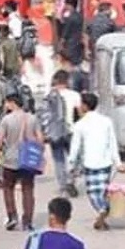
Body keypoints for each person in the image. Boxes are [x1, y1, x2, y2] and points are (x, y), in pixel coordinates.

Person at [66, 91, 125, 230]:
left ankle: (102, 210)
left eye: (81, 104)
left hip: (90, 163)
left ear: (85, 106)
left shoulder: (80, 125)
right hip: (106, 163)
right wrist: (118, 163)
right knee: (103, 191)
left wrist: (71, 164)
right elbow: (112, 143)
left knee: (93, 193)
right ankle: (103, 215)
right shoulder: (106, 121)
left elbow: (75, 147)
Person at [0, 92, 43, 231]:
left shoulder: (6, 120)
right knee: (28, 189)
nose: (5, 106)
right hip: (27, 159)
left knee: (8, 188)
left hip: (10, 159)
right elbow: (40, 139)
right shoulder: (32, 118)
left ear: (12, 103)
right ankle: (27, 221)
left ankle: (12, 216)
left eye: (6, 103)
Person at [44, 70, 81, 198]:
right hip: (71, 131)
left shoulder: (49, 95)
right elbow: (80, 114)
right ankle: (71, 181)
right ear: (67, 81)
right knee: (73, 158)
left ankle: (62, 186)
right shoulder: (75, 95)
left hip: (55, 132)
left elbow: (45, 115)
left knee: (58, 160)